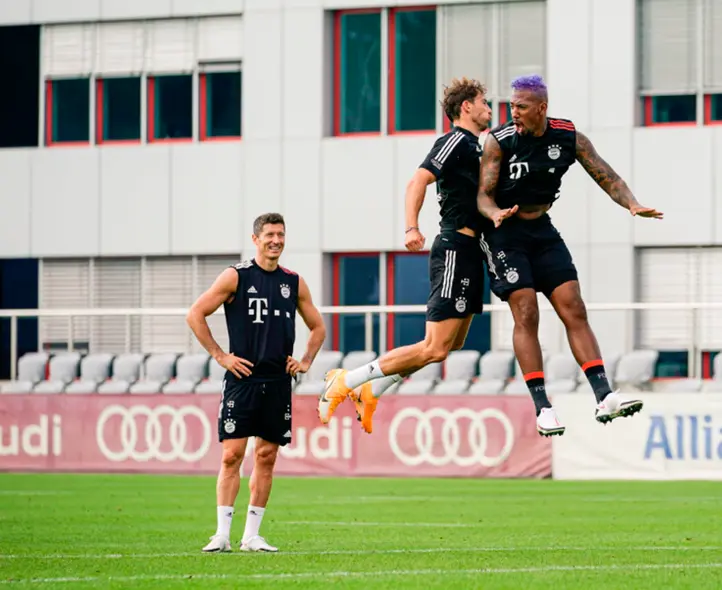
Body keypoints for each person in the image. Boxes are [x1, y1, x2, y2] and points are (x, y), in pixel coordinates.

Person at [476, 74, 663, 436]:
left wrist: (632, 204)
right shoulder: (499, 141)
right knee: (527, 311)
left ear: (541, 108)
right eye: (511, 106)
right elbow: (484, 194)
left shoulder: (567, 136)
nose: (514, 112)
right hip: (504, 234)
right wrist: (494, 212)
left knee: (574, 307)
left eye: (521, 107)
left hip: (541, 230)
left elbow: (606, 175)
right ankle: (543, 408)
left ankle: (604, 396)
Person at [318, 77, 494, 434]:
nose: (489, 108)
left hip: (471, 252)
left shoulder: (476, 147)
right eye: (483, 102)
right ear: (466, 107)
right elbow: (417, 180)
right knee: (435, 347)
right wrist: (411, 228)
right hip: (455, 249)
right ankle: (347, 380)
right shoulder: (454, 141)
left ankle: (373, 389)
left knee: (453, 343)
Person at [187, 212, 326, 553]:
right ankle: (221, 534)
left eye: (281, 235)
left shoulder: (294, 282)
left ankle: (251, 536)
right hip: (242, 380)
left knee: (266, 456)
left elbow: (318, 327)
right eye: (270, 235)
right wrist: (221, 356)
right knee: (231, 456)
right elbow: (195, 314)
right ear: (256, 239)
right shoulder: (236, 276)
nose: (276, 241)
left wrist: (305, 361)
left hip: (277, 382)